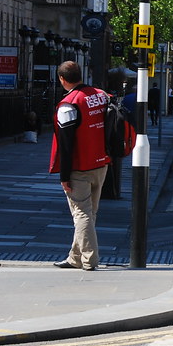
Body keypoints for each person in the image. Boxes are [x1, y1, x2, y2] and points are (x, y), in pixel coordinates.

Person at [49, 61, 111, 271]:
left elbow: (66, 144)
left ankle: (89, 259)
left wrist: (64, 176)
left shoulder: (69, 104)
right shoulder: (100, 95)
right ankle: (75, 257)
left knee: (82, 214)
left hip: (79, 167)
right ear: (80, 75)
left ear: (62, 79)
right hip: (101, 163)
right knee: (89, 213)